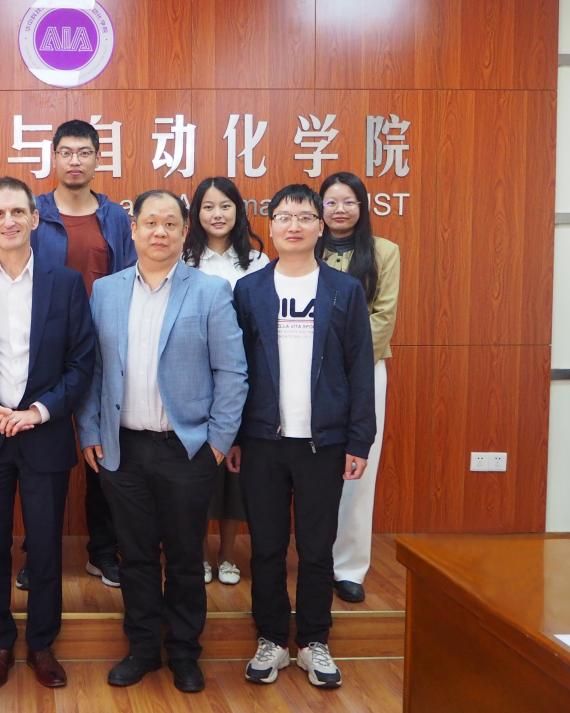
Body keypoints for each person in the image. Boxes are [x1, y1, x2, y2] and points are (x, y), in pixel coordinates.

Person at [78, 189, 247, 693]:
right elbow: (92, 370)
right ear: (132, 230)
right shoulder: (105, 291)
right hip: (122, 447)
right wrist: (90, 430)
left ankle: (185, 652)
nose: (159, 232)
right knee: (135, 556)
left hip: (187, 448)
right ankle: (143, 648)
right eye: (150, 222)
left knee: (185, 556)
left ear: (184, 231)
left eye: (170, 223)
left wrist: (217, 442)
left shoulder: (210, 292)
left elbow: (232, 373)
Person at [0, 177, 96, 690]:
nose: (8, 221)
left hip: (43, 435)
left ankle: (43, 644)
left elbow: (82, 362)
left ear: (34, 219)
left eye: (17, 212)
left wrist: (39, 412)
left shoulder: (64, 283)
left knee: (45, 547)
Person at [230, 184, 375, 689]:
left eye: (304, 216)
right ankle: (271, 637)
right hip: (262, 441)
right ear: (270, 227)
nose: (294, 225)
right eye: (284, 217)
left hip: (324, 443)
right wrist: (233, 435)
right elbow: (236, 370)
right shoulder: (248, 290)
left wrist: (359, 440)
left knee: (317, 548)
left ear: (320, 226)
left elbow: (360, 370)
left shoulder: (344, 290)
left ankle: (315, 641)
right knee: (266, 547)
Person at [25, 118, 135, 590]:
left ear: (97, 159)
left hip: (105, 347)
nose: (75, 161)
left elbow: (130, 280)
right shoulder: (34, 213)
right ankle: (37, 555)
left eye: (84, 152)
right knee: (38, 457)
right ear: (53, 157)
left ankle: (103, 551)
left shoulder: (114, 217)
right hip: (44, 349)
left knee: (104, 450)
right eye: (66, 152)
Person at [316, 171, 401, 604]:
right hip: (310, 370)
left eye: (348, 202)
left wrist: (346, 358)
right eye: (331, 202)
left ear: (362, 206)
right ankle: (315, 558)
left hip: (364, 370)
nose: (339, 210)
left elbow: (383, 315)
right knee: (313, 467)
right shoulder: (307, 245)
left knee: (358, 466)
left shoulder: (384, 251)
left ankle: (348, 566)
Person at [183, 176, 269, 587]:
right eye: (208, 207)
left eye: (225, 206)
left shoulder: (258, 262)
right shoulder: (184, 261)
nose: (217, 214)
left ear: (239, 211)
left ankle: (229, 554)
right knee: (197, 467)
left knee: (235, 469)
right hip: (195, 377)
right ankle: (199, 553)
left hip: (243, 375)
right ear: (196, 214)